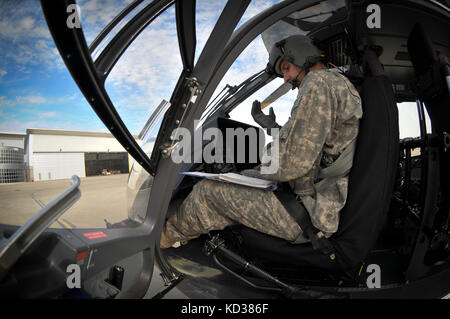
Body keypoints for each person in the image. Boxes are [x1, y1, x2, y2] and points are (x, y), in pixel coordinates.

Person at [160, 35, 362, 248]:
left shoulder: (319, 83)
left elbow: (291, 164)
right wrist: (272, 130)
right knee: (236, 177)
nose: (286, 78)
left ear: (302, 56)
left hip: (312, 210)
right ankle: (177, 222)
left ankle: (165, 238)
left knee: (207, 192)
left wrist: (255, 164)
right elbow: (306, 145)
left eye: (286, 68)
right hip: (308, 195)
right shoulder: (331, 84)